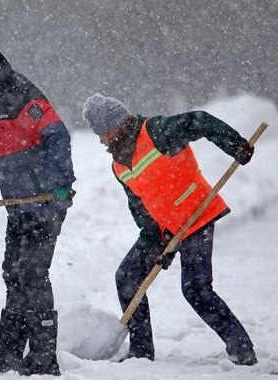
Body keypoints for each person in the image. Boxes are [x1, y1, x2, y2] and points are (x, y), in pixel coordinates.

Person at [82, 93, 257, 365]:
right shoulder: (118, 164)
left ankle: (241, 347)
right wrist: (158, 242)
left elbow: (201, 121)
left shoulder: (157, 132)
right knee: (127, 277)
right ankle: (141, 351)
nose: (102, 140)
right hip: (163, 229)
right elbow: (139, 207)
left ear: (116, 125)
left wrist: (234, 144)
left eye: (103, 133)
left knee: (196, 290)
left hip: (196, 217)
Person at [0, 40, 75, 376]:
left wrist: (60, 184)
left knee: (33, 274)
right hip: (18, 206)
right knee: (14, 273)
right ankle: (7, 353)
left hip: (46, 202)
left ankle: (43, 357)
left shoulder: (25, 97)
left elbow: (58, 137)